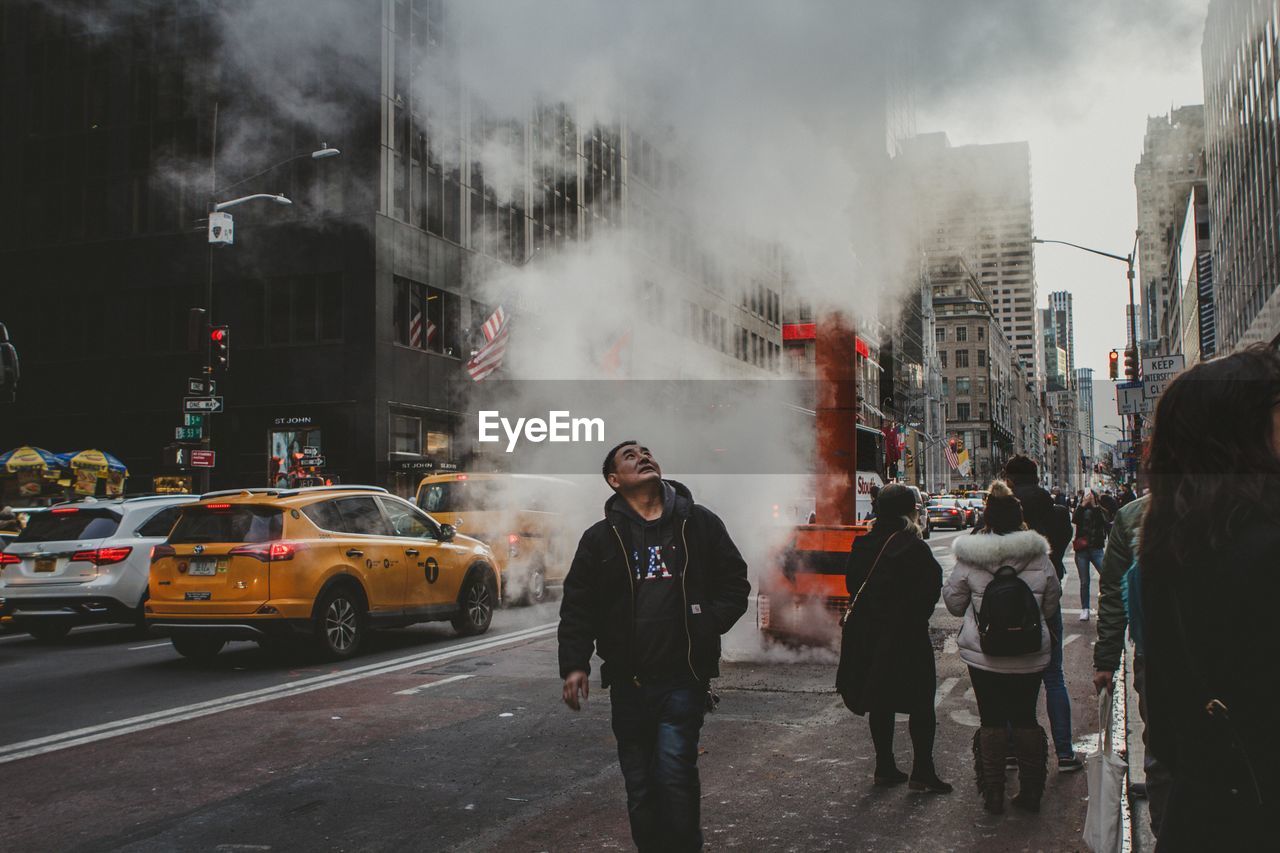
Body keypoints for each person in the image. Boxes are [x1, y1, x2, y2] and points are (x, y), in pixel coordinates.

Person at [559, 441, 751, 852]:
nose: (643, 456)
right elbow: (578, 607)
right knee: (641, 786)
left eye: (646, 451)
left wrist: (706, 623)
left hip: (684, 679)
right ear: (614, 481)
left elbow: (735, 583)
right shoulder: (599, 539)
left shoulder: (698, 523)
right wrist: (574, 664)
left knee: (674, 774)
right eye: (630, 456)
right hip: (630, 685)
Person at [1138, 345, 1280, 849]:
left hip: (1203, 818)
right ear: (1244, 434)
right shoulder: (1263, 551)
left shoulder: (1165, 547)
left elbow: (1169, 737)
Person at [944, 480, 1062, 815]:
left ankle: (992, 792)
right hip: (1029, 653)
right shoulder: (1039, 556)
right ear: (1020, 518)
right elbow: (1050, 606)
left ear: (989, 520)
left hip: (985, 655)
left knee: (991, 719)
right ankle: (1031, 793)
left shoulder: (971, 556)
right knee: (1026, 717)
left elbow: (953, 603)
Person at [836, 484, 950, 793]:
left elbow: (852, 585)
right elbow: (930, 589)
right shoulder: (912, 547)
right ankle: (922, 771)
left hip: (869, 637)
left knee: (880, 701)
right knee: (921, 703)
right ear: (909, 512)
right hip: (907, 636)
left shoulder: (862, 545)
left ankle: (884, 766)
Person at [1093, 493, 1170, 837]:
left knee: (1164, 753)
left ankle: (1168, 834)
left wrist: (1107, 660)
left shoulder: (1135, 514)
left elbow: (1113, 592)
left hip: (1161, 655)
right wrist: (1107, 658)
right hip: (1229, 657)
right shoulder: (1256, 502)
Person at [1001, 455, 1079, 772]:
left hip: (1007, 603)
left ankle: (1009, 752)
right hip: (1047, 598)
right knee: (1053, 676)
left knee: (1008, 678)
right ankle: (1064, 753)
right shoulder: (1056, 512)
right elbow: (1060, 547)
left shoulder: (1002, 512)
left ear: (1011, 479)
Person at [1071, 490, 1108, 621]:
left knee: (1106, 576)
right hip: (1082, 550)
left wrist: (1095, 506)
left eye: (1091, 496)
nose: (1089, 498)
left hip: (1096, 549)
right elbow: (1074, 520)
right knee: (1084, 581)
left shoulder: (1100, 510)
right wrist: (1082, 505)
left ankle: (1104, 606)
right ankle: (1084, 609)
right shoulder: (1080, 510)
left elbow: (1103, 522)